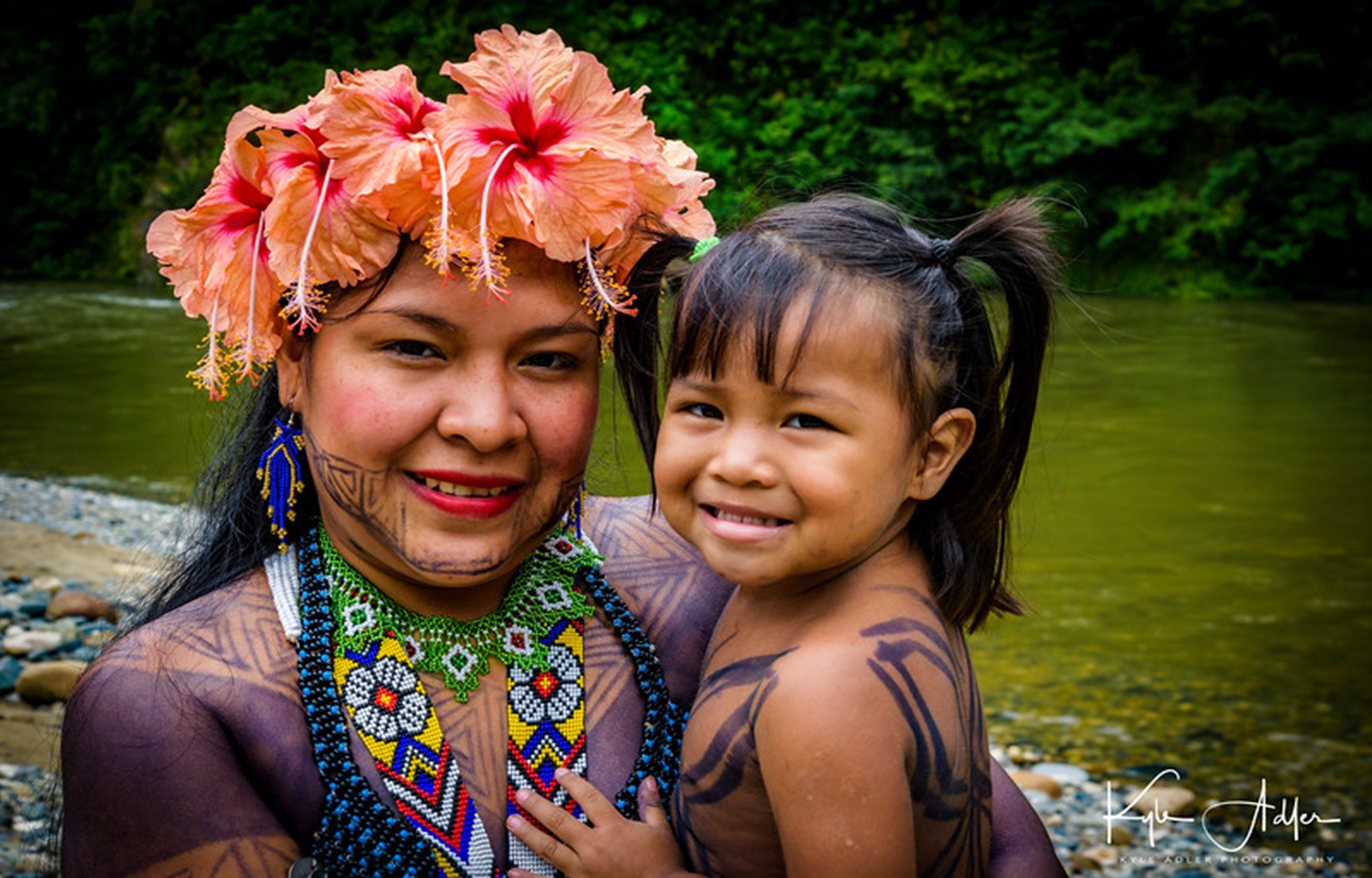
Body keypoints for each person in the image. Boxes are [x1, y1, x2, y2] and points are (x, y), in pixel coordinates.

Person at [59, 26, 1060, 878]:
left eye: (548, 359)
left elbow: (995, 847)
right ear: (289, 358)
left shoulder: (720, 568)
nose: (488, 422)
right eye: (413, 347)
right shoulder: (173, 705)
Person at [506, 194, 1063, 877]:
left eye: (804, 422)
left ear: (931, 454)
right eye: (704, 408)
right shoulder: (874, 578)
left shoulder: (822, 692)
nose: (736, 463)